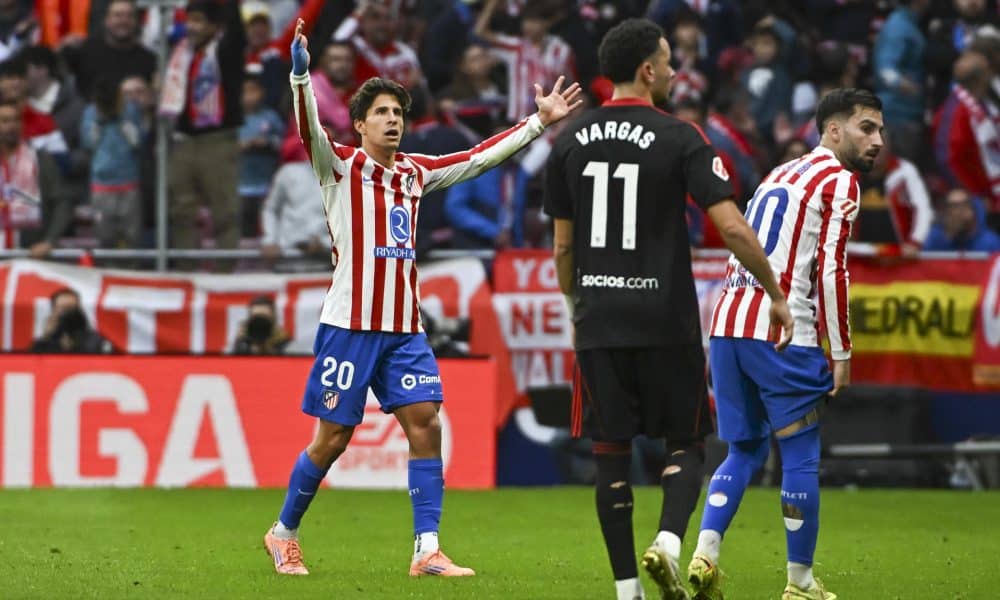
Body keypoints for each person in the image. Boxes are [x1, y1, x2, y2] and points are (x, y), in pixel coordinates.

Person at [262, 18, 581, 578]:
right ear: (359, 123)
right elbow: (309, 126)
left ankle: (426, 549)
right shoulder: (338, 166)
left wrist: (537, 123)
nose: (393, 120)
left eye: (399, 113)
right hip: (350, 324)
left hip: (403, 327)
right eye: (382, 112)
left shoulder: (415, 173)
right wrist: (300, 75)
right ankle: (283, 532)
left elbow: (478, 156)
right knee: (333, 438)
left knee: (426, 421)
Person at [543, 18, 793, 600]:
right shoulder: (682, 137)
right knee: (686, 443)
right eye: (669, 60)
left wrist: (580, 303)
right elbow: (730, 227)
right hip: (665, 320)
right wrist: (775, 293)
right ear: (647, 70)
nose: (676, 71)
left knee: (611, 454)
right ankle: (669, 544)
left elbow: (561, 246)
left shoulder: (568, 141)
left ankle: (627, 591)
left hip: (598, 323)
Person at [689, 88, 885, 600]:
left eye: (881, 130)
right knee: (799, 454)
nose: (878, 140)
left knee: (744, 449)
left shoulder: (780, 173)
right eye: (867, 128)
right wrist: (839, 350)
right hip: (783, 332)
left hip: (728, 325)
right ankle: (800, 584)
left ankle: (704, 557)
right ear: (834, 130)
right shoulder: (840, 181)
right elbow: (833, 273)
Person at [31, 287, 113, 354]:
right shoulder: (46, 341)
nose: (69, 313)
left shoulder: (96, 340)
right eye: (64, 308)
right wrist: (46, 337)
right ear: (54, 311)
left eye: (72, 308)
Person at [923, 188, 1000, 252]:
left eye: (964, 204)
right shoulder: (935, 237)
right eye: (953, 206)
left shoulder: (990, 241)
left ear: (973, 209)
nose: (959, 211)